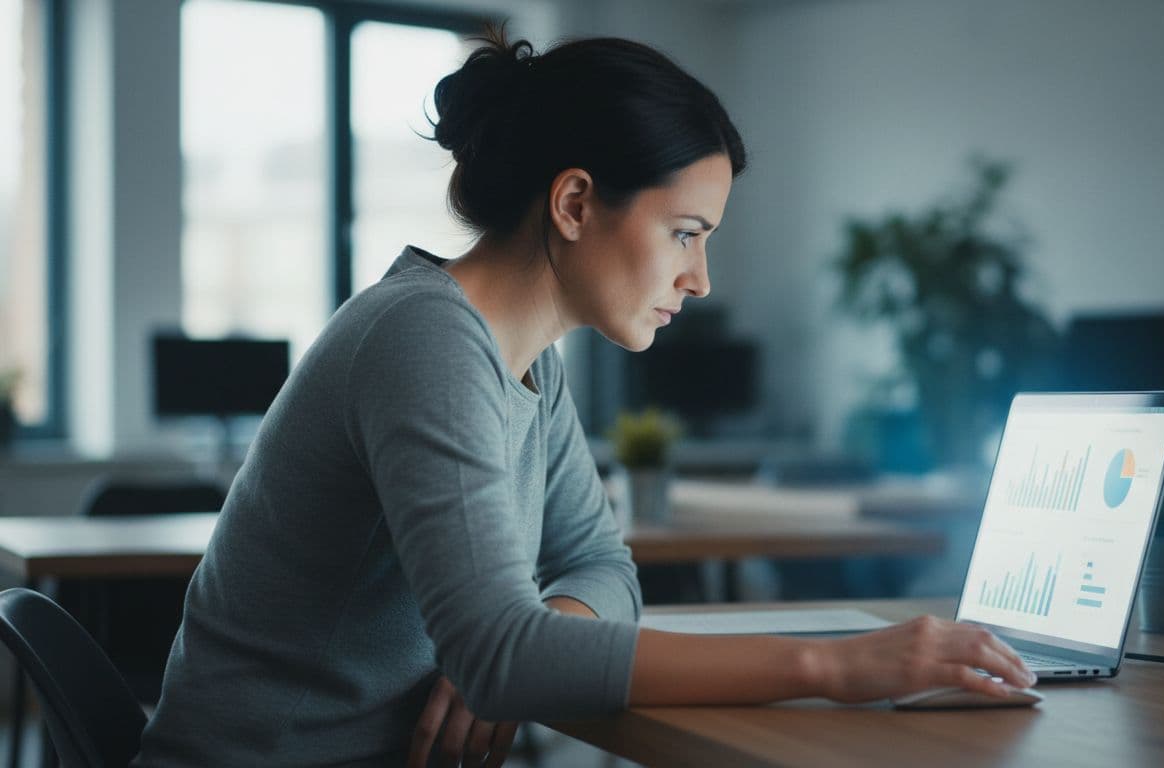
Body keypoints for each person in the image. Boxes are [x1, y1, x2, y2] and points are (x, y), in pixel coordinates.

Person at [132, 27, 1035, 768]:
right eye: (685, 233)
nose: (701, 278)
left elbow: (605, 573)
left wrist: (530, 651)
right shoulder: (426, 341)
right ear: (572, 203)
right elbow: (503, 655)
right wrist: (840, 665)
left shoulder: (529, 362)